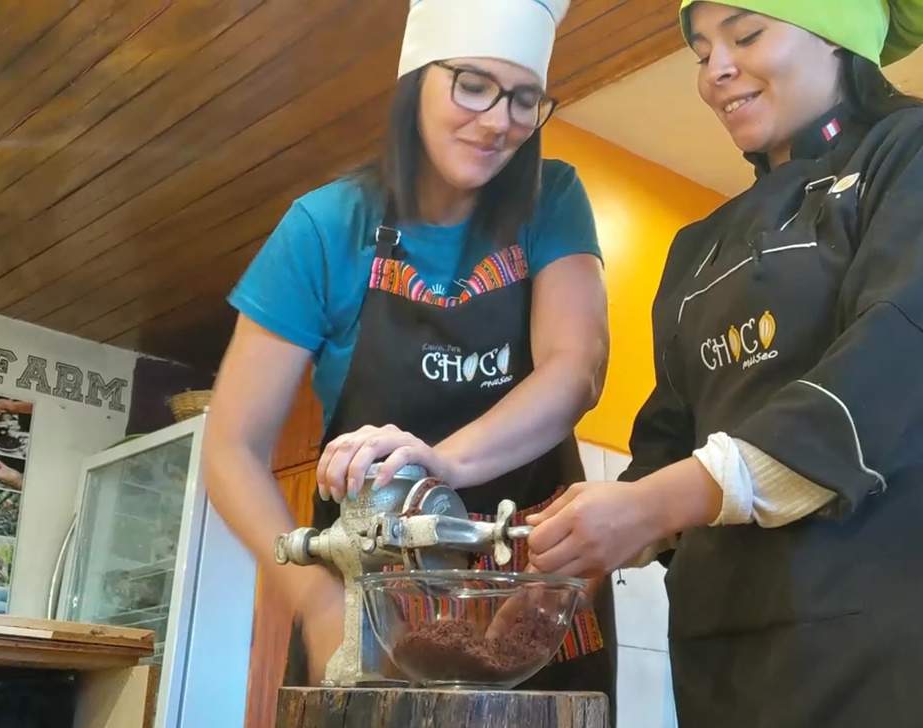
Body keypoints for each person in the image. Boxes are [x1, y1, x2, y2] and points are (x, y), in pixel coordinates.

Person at [526, 2, 923, 726]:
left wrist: (659, 503)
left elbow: (898, 360)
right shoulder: (698, 246)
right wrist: (569, 560)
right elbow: (665, 444)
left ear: (837, 35)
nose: (716, 70)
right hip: (730, 644)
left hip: (894, 619)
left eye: (746, 34)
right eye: (699, 50)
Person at [203, 0, 616, 699]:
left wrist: (441, 462)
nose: (498, 122)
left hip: (530, 596)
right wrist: (313, 600)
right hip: (372, 594)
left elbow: (576, 369)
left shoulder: (553, 200)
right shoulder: (326, 226)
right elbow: (230, 449)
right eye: (473, 84)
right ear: (416, 78)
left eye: (523, 99)